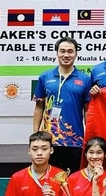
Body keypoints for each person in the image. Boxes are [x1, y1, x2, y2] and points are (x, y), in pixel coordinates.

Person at [33, 37, 91, 172]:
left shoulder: (85, 79)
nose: (66, 55)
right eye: (62, 51)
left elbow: (87, 110)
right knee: (51, 179)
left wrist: (89, 135)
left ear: (76, 54)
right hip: (48, 140)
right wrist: (36, 134)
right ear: (57, 53)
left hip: (75, 140)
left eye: (70, 51)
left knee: (72, 180)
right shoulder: (45, 77)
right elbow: (39, 107)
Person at [5, 131, 65, 196]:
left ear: (51, 150)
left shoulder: (61, 176)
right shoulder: (17, 178)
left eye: (44, 149)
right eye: (35, 149)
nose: (39, 153)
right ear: (29, 151)